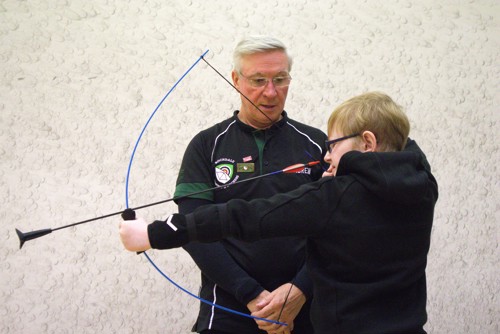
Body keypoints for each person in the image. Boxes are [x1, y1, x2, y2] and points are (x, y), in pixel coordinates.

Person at [120, 91, 438, 334]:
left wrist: (152, 234)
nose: (327, 156)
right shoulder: (424, 188)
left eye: (334, 145)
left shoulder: (334, 197)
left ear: (367, 143)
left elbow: (246, 216)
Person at [169, 36, 327, 334]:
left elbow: (339, 228)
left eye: (280, 79)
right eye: (258, 80)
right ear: (235, 80)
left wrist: (300, 289)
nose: (270, 91)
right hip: (229, 310)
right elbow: (192, 230)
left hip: (306, 309)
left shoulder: (317, 143)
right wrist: (251, 295)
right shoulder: (206, 145)